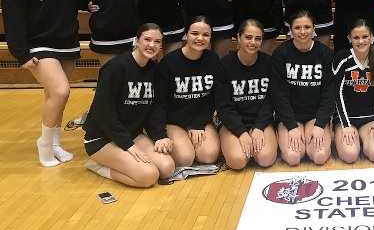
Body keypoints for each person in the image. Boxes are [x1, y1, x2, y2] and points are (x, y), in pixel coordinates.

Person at [1, 0, 79, 167]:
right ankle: (44, 145)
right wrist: (20, 52)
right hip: (38, 45)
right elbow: (12, 16)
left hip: (66, 42)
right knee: (60, 91)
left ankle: (55, 143)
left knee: (56, 97)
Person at [83, 24, 176, 186]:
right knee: (149, 176)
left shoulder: (154, 69)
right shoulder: (116, 67)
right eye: (147, 39)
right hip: (102, 138)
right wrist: (128, 145)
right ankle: (98, 167)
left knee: (167, 168)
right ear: (137, 40)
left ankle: (124, 162)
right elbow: (103, 112)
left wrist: (159, 135)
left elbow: (154, 108)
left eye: (157, 41)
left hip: (132, 134)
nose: (152, 45)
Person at [146, 16, 222, 167]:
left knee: (209, 156)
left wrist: (198, 124)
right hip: (174, 121)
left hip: (200, 120)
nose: (200, 38)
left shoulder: (213, 60)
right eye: (195, 33)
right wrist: (159, 134)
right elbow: (159, 103)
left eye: (205, 35)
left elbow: (214, 99)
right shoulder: (168, 63)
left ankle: (192, 137)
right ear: (186, 34)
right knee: (185, 159)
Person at [270, 10, 334, 165]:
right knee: (293, 157)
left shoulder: (324, 53)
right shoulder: (280, 53)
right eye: (297, 28)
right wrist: (291, 126)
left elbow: (329, 93)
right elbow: (279, 94)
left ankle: (313, 140)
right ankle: (289, 140)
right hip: (290, 117)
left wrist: (320, 124)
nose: (303, 32)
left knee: (319, 156)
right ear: (290, 30)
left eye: (307, 27)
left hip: (315, 116)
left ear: (313, 29)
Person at [215, 19, 277, 170]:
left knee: (265, 159)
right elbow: (223, 106)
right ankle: (234, 145)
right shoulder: (224, 65)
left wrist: (259, 127)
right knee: (237, 161)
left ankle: (254, 144)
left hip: (260, 121)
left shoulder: (269, 63)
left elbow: (271, 99)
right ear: (238, 37)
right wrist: (241, 132)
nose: (253, 42)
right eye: (248, 37)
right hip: (233, 123)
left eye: (258, 38)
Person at [332, 19, 374, 163]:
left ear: (371, 37)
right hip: (346, 119)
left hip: (370, 119)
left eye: (365, 37)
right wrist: (345, 125)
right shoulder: (342, 58)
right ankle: (351, 140)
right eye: (356, 37)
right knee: (350, 155)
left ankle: (365, 140)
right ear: (349, 39)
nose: (361, 41)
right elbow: (337, 93)